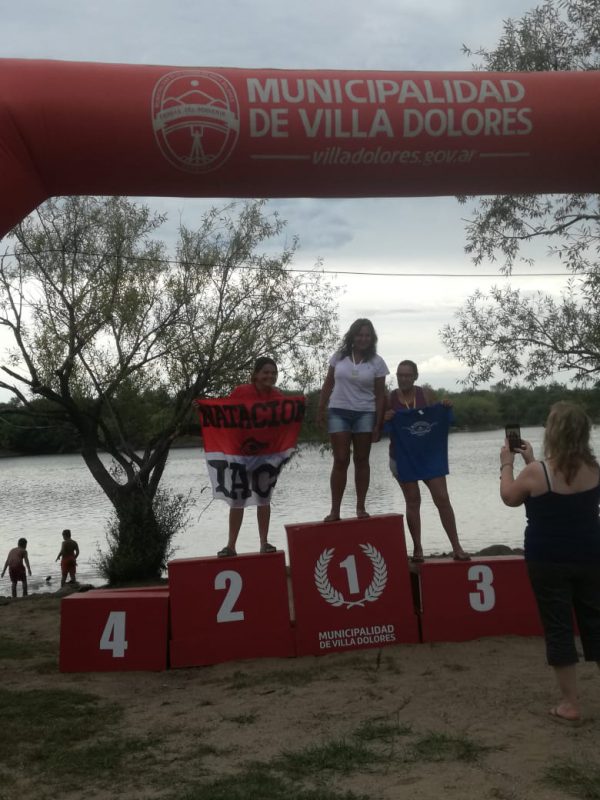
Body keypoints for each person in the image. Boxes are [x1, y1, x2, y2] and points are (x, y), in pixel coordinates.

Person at [500, 401, 600, 724]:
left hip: (548, 560)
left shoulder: (537, 472)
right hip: (590, 556)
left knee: (558, 625)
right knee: (595, 621)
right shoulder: (594, 469)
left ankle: (570, 704)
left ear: (553, 432)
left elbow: (510, 497)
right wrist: (531, 460)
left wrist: (507, 464)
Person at [384, 360, 469, 562]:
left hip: (429, 457)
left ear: (415, 376)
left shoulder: (426, 394)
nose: (403, 378)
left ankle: (457, 547)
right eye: (400, 375)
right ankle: (418, 549)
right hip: (403, 457)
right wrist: (385, 418)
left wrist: (445, 406)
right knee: (413, 501)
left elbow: (437, 416)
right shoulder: (390, 398)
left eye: (407, 375)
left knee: (442, 498)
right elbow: (379, 428)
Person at [317, 318, 388, 521]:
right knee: (341, 459)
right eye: (359, 335)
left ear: (372, 338)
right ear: (352, 336)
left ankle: (361, 507)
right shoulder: (339, 357)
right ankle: (335, 510)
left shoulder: (377, 362)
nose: (363, 339)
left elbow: (380, 395)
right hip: (338, 411)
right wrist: (320, 409)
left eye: (367, 335)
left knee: (361, 459)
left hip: (365, 412)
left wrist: (378, 423)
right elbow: (328, 383)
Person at [217, 357, 282, 557]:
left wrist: (301, 406)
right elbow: (224, 413)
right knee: (237, 499)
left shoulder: (277, 396)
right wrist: (204, 409)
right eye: (266, 372)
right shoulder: (241, 392)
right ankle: (231, 546)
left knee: (264, 499)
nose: (270, 376)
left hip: (266, 455)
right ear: (255, 374)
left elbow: (286, 418)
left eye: (273, 373)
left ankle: (264, 543)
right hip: (241, 454)